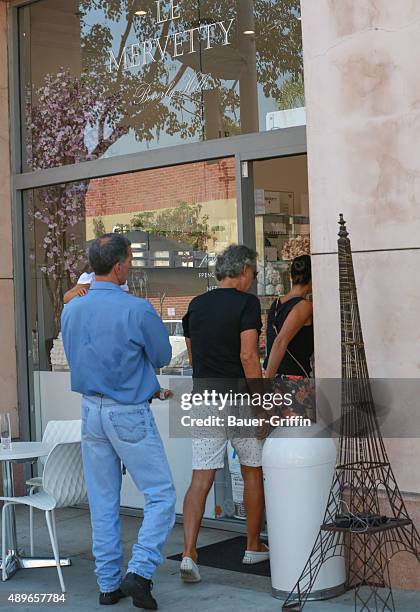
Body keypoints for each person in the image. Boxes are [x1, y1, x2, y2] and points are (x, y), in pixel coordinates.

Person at [61, 234, 176, 610]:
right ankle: (139, 571)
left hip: (90, 411)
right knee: (160, 494)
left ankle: (108, 584)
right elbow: (160, 353)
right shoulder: (136, 308)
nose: (131, 264)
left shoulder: (72, 309)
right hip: (127, 410)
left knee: (103, 500)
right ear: (120, 265)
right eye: (129, 259)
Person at [180, 244, 268, 584]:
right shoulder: (247, 303)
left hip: (204, 398)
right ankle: (252, 545)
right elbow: (249, 356)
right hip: (238, 399)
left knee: (200, 478)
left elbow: (192, 355)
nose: (254, 280)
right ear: (244, 270)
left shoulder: (196, 305)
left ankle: (189, 552)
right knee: (252, 470)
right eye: (255, 273)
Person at [264, 254, 314, 420]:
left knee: (280, 437)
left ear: (291, 277)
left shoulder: (276, 305)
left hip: (277, 377)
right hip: (293, 382)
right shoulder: (304, 306)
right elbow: (280, 342)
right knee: (297, 439)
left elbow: (271, 341)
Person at [63, 266, 129, 304]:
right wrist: (78, 293)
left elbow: (125, 298)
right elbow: (66, 298)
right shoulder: (90, 277)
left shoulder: (121, 278)